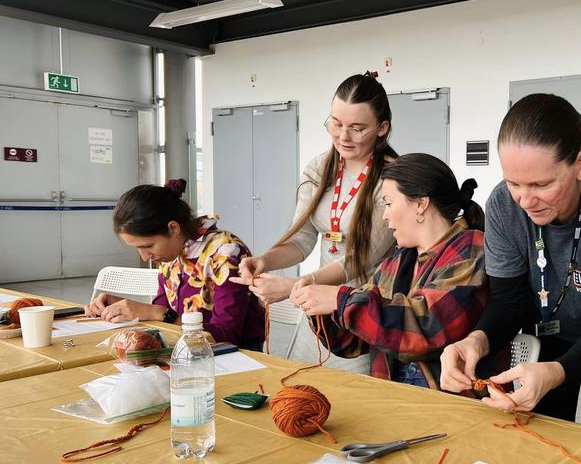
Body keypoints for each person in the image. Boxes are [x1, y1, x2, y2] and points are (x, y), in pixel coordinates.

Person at [439, 94, 581, 424]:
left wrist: (558, 371)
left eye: (541, 184)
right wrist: (476, 340)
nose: (525, 199)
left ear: (580, 164)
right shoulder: (504, 205)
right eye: (514, 182)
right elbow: (509, 301)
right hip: (547, 340)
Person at [290, 153, 502, 389]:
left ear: (420, 203)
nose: (385, 214)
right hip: (394, 398)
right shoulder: (398, 260)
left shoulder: (471, 248)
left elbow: (425, 329)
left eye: (389, 203)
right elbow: (355, 343)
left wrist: (341, 301)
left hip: (451, 405)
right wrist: (322, 309)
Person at [232, 71, 397, 302]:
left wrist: (297, 285)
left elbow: (361, 259)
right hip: (317, 303)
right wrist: (265, 261)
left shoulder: (392, 178)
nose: (343, 136)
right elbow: (301, 239)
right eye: (336, 124)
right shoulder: (319, 168)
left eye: (357, 128)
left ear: (382, 128)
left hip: (368, 305)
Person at [85, 179, 265, 350]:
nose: (145, 257)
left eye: (147, 246)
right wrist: (121, 307)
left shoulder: (225, 252)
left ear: (173, 228)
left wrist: (157, 313)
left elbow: (227, 337)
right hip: (183, 350)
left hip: (233, 357)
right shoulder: (172, 252)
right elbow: (160, 310)